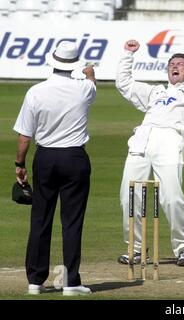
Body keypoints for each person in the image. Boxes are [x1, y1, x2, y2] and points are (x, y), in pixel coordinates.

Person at [115, 38, 184, 266]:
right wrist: (128, 54)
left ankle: (182, 248)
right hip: (142, 140)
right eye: (172, 64)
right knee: (128, 196)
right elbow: (124, 83)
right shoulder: (154, 92)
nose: (175, 66)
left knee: (172, 198)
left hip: (170, 140)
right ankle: (136, 249)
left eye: (180, 64)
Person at [13, 41, 96, 295]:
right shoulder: (84, 89)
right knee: (72, 222)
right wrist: (86, 68)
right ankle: (70, 282)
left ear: (53, 62)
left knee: (40, 218)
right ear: (73, 64)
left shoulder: (36, 91)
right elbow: (91, 77)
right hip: (74, 157)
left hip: (45, 157)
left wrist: (20, 164)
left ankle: (35, 281)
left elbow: (25, 137)